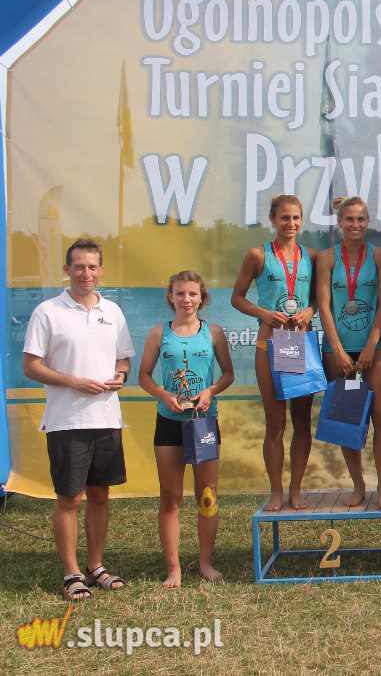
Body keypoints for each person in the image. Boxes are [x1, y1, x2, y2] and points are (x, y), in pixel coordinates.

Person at [23, 238, 135, 601]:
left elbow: (123, 358)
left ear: (101, 270)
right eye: (79, 266)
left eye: (92, 267)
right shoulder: (47, 311)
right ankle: (71, 574)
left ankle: (95, 566)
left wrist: (120, 374)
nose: (86, 273)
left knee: (100, 495)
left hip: (107, 418)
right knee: (70, 499)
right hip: (66, 421)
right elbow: (31, 366)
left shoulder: (112, 311)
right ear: (67, 270)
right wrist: (74, 382)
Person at [137, 270, 234, 587]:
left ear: (202, 297)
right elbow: (144, 376)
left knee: (207, 495)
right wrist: (163, 395)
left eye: (192, 293)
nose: (186, 299)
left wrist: (210, 392)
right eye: (180, 293)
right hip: (169, 423)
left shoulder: (214, 332)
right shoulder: (158, 334)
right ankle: (174, 568)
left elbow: (228, 374)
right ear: (170, 297)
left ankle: (205, 562)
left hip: (203, 423)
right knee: (171, 498)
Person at [231, 194, 317, 512]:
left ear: (301, 220)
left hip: (301, 344)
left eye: (295, 218)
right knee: (275, 423)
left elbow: (320, 298)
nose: (290, 224)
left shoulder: (312, 257)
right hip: (269, 344)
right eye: (284, 218)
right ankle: (276, 490)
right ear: (272, 219)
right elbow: (237, 297)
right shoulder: (258, 254)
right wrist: (264, 313)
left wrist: (310, 310)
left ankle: (296, 488)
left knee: (302, 421)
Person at [316, 196, 381, 509]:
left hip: (375, 348)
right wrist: (337, 349)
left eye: (361, 219)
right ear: (340, 222)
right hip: (337, 350)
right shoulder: (327, 258)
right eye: (349, 219)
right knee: (347, 419)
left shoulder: (379, 255)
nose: (355, 225)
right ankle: (358, 485)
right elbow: (324, 307)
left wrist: (371, 345)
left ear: (367, 222)